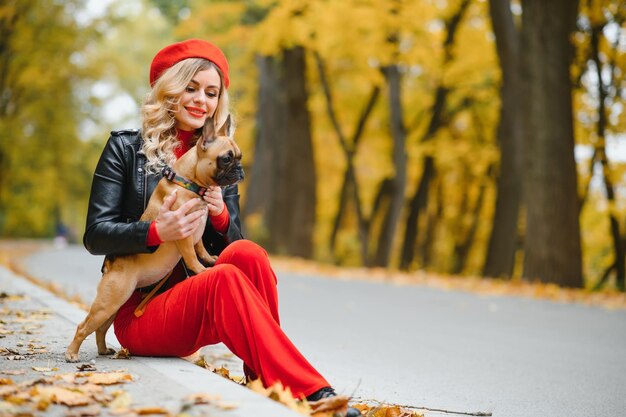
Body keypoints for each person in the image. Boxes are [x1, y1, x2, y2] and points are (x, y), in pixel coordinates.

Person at [83, 39, 360, 417]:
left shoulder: (220, 156)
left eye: (211, 93)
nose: (201, 100)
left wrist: (219, 216)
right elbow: (96, 234)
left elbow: (236, 247)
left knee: (247, 254)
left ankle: (263, 379)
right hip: (142, 311)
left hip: (198, 298)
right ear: (168, 88)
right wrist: (154, 232)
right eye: (191, 87)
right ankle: (310, 392)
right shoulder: (125, 148)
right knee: (224, 277)